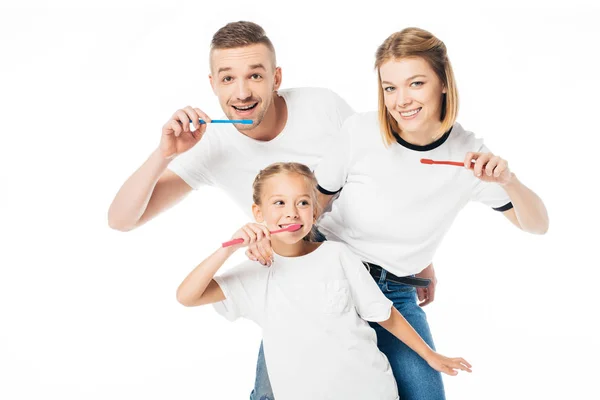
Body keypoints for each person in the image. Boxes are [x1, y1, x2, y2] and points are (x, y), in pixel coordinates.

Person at [107, 20, 356, 400]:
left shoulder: (324, 106)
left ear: (276, 78)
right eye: (228, 79)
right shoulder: (211, 143)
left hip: (370, 266)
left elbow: (378, 176)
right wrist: (164, 155)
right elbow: (121, 220)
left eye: (255, 76)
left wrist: (415, 255)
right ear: (212, 84)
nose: (241, 93)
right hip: (298, 291)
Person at [307, 27, 549, 400]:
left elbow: (537, 225)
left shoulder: (468, 155)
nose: (401, 100)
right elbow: (315, 203)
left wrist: (510, 180)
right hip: (330, 274)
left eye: (415, 83)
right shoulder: (359, 131)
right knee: (281, 387)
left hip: (396, 293)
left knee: (426, 394)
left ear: (443, 83)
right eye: (390, 88)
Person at [176, 162, 471, 400]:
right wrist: (228, 247)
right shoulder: (253, 274)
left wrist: (430, 355)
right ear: (258, 212)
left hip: (371, 391)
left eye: (302, 202)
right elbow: (187, 296)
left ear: (315, 211)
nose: (291, 212)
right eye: (279, 202)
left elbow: (384, 314)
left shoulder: (336, 255)